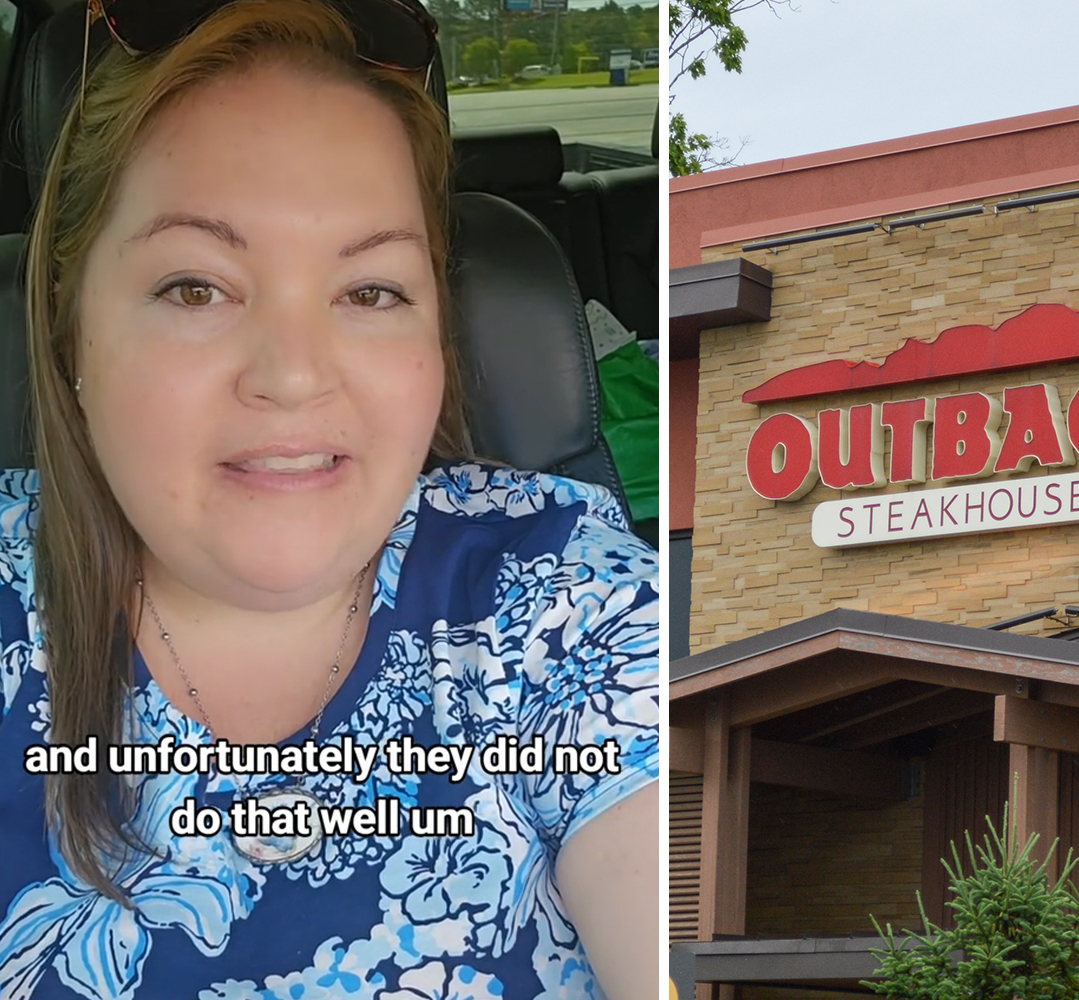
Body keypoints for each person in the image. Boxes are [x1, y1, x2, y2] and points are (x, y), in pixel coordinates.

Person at [0, 1, 658, 997]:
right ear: (69, 325)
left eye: (370, 291)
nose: (295, 376)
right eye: (196, 287)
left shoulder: (558, 588)